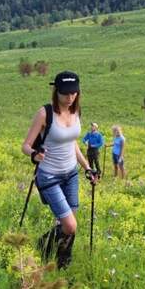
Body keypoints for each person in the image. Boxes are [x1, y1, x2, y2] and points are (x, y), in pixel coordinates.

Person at [21, 71, 97, 269]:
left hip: (71, 174)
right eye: (65, 94)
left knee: (67, 225)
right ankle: (42, 246)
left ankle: (63, 263)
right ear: (56, 91)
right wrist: (34, 154)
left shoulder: (75, 111)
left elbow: (72, 144)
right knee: (70, 225)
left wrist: (87, 167)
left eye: (74, 93)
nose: (70, 98)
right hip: (49, 176)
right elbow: (26, 145)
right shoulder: (45, 113)